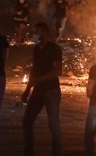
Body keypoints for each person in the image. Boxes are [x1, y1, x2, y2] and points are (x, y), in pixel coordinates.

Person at [21, 22, 63, 156]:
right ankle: (29, 151)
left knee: (53, 124)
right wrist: (27, 89)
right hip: (38, 91)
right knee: (27, 120)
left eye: (36, 32)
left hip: (51, 91)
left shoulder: (54, 49)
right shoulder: (36, 49)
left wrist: (40, 79)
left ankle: (57, 153)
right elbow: (34, 69)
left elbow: (58, 71)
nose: (34, 35)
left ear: (44, 33)